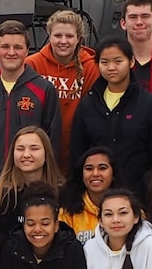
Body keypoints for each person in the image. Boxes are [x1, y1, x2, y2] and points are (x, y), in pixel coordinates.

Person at [70, 38, 152, 190]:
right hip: (96, 197)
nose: (111, 67)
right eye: (104, 62)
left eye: (118, 61)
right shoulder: (87, 105)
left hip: (139, 195)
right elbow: (77, 152)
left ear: (131, 62)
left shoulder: (150, 105)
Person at [0, 20, 60, 180]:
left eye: (18, 47)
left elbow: (52, 141)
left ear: (27, 51)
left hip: (30, 181)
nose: (11, 52)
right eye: (5, 47)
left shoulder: (44, 90)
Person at [26, 9, 98, 167]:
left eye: (70, 36)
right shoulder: (32, 64)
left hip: (76, 146)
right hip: (39, 146)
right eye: (57, 36)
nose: (63, 41)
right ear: (49, 36)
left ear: (78, 38)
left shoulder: (91, 67)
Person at [0, 125, 64, 220]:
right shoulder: (2, 195)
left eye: (34, 148)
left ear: (46, 154)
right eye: (20, 149)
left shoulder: (62, 193)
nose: (26, 155)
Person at [61, 145, 117, 240]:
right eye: (89, 168)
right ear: (81, 176)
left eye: (102, 168)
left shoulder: (129, 209)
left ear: (113, 174)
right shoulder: (67, 213)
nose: (95, 174)